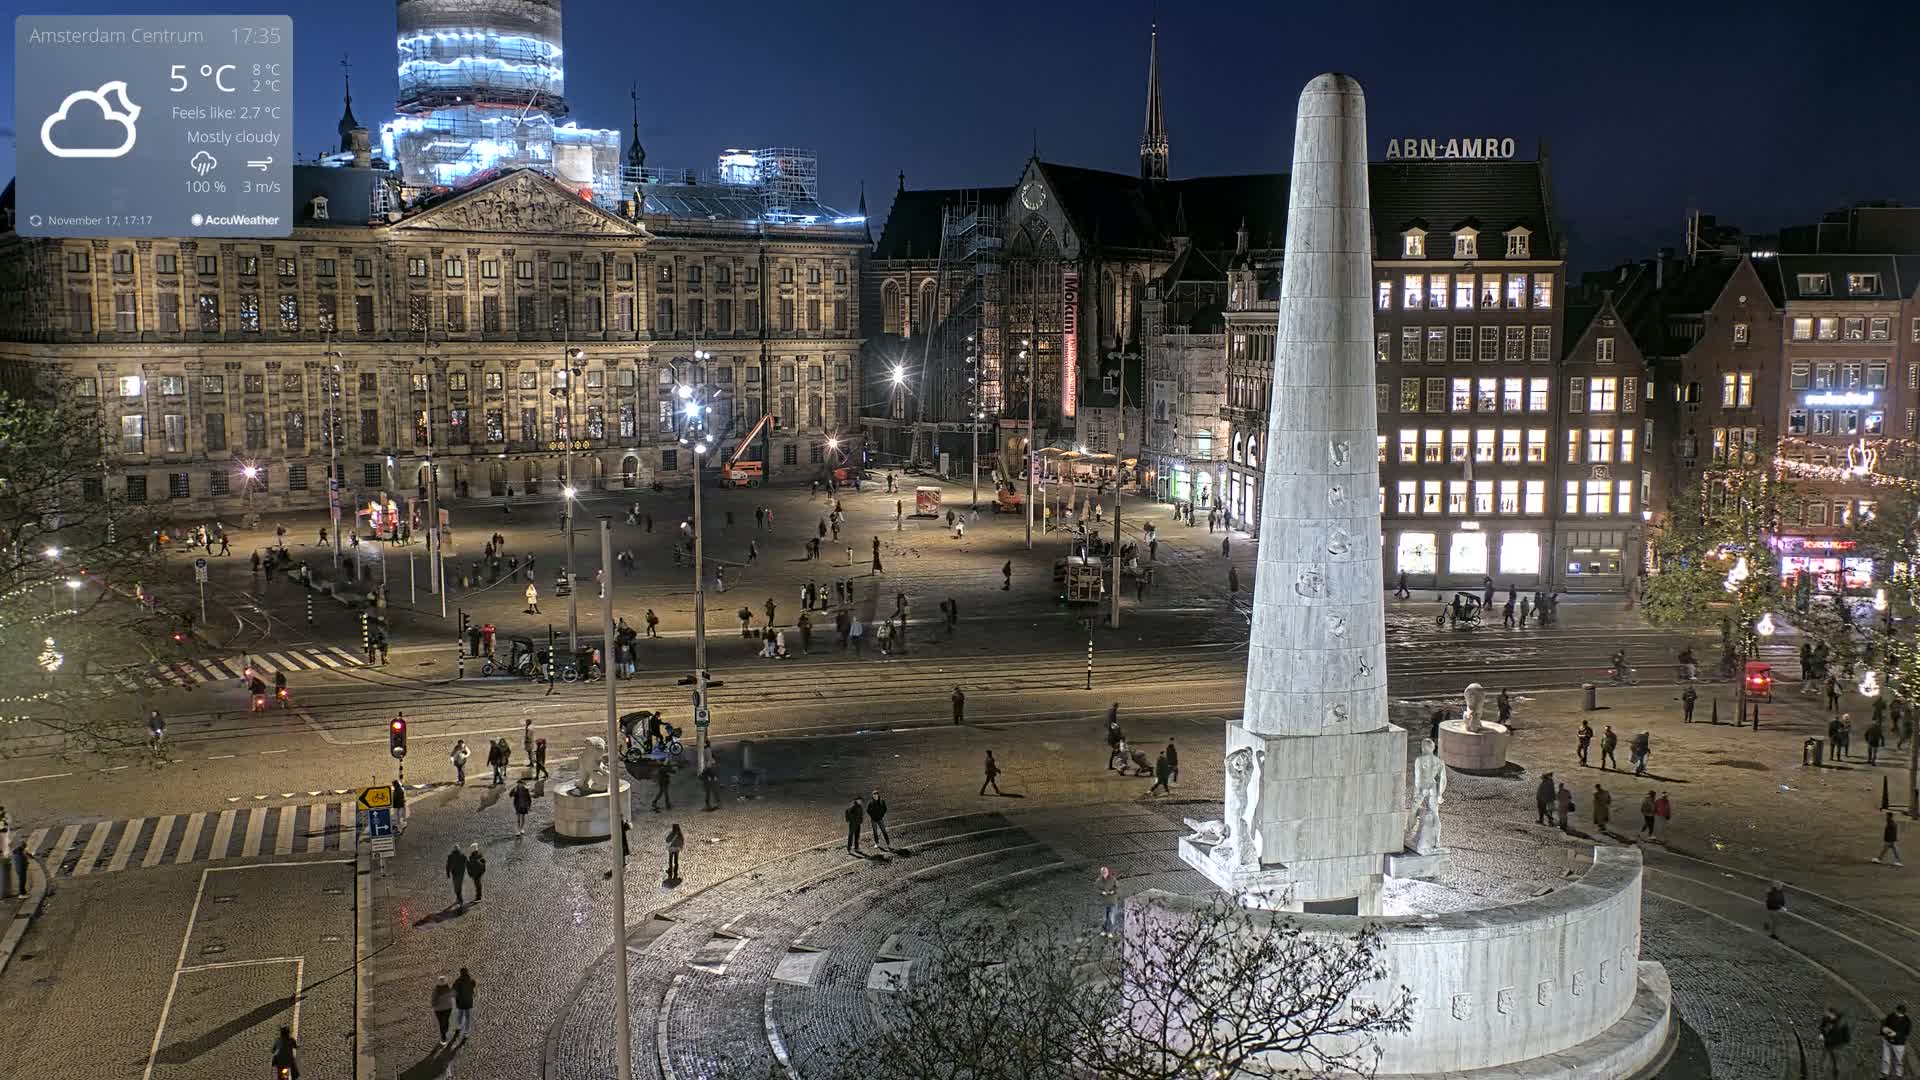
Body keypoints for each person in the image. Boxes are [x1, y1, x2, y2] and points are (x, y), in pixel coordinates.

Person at [1882, 1004, 1911, 1078]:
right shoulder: (1891, 1016)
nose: (1896, 1014)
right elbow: (1884, 1024)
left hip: (1899, 1043)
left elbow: (1906, 1033)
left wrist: (1896, 1034)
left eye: (1898, 1013)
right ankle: (1885, 1073)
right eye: (1897, 1012)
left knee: (1898, 1060)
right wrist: (1884, 1029)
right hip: (1887, 1041)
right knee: (1886, 1058)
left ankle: (1899, 1074)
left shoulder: (1907, 1021)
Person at [1818, 1006, 1849, 1076]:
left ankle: (1834, 1067)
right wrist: (1822, 1034)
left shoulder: (1840, 1023)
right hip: (1828, 1039)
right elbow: (1822, 1027)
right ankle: (1823, 1065)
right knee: (1826, 1052)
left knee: (1832, 1053)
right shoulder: (1826, 1019)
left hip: (1833, 1040)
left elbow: (1844, 1033)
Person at [452, 967, 477, 1041]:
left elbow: (454, 989)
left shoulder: (458, 981)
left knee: (460, 1015)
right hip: (468, 1001)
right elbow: (473, 987)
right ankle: (466, 1032)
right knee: (467, 1017)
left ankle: (459, 1027)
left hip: (461, 1001)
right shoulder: (471, 980)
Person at [432, 976, 456, 1047]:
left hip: (438, 1009)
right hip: (448, 1008)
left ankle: (443, 1038)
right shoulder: (449, 990)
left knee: (441, 1023)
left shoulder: (436, 991)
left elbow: (433, 1001)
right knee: (446, 1020)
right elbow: (454, 995)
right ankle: (445, 1031)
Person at [1098, 866, 1121, 938]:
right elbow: (1096, 889)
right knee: (1104, 918)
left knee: (1111, 917)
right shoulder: (1099, 881)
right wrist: (1101, 892)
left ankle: (1110, 931)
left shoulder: (1113, 879)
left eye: (1105, 872)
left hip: (1112, 902)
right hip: (1104, 902)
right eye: (1103, 872)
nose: (1104, 873)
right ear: (1101, 873)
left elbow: (1117, 888)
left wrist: (1113, 891)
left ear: (1107, 872)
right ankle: (1104, 930)